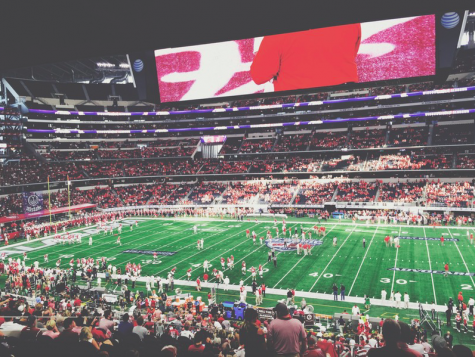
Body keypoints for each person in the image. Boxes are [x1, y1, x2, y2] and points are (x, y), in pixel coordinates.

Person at [250, 23, 361, 92]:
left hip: (297, 107)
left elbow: (259, 76)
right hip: (346, 99)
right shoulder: (353, 24)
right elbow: (351, 53)